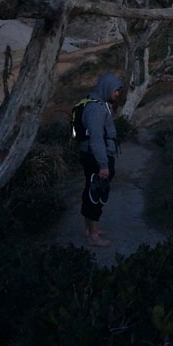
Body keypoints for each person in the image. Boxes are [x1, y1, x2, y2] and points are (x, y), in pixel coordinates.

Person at [78, 72, 123, 246]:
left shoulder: (96, 101)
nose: (117, 94)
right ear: (107, 88)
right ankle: (94, 236)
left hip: (92, 154)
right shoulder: (96, 109)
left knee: (90, 191)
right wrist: (103, 165)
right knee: (97, 193)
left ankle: (89, 229)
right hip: (97, 157)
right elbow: (96, 139)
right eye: (116, 90)